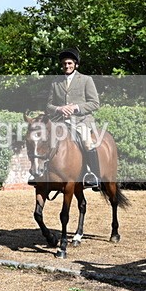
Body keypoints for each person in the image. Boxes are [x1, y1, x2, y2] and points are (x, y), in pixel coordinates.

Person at [46, 47, 101, 189]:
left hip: (81, 121)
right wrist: (59, 108)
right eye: (64, 63)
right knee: (43, 138)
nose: (67, 66)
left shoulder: (86, 80)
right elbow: (48, 105)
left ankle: (94, 176)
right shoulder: (55, 82)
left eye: (70, 63)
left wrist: (75, 108)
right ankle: (39, 173)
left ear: (76, 64)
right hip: (60, 122)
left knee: (86, 140)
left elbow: (95, 103)